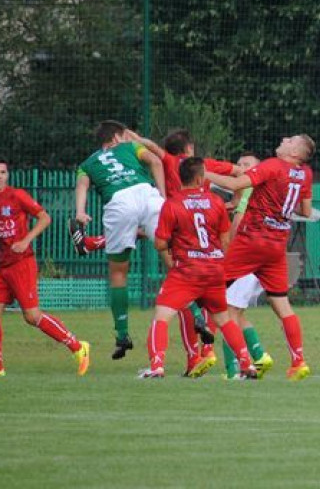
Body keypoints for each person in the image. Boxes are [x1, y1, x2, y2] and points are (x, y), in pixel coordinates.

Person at [123, 127, 244, 377]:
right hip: (213, 262)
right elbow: (238, 172)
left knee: (164, 311)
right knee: (223, 318)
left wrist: (132, 137)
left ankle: (158, 364)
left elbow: (151, 148)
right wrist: (236, 201)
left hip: (185, 256)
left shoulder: (170, 176)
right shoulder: (211, 187)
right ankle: (242, 361)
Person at [205, 135, 316, 381]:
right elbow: (306, 210)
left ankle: (216, 353)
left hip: (252, 240)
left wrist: (204, 174)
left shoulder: (272, 165)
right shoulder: (305, 174)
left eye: (291, 140)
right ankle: (298, 361)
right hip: (277, 245)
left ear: (296, 152)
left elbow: (235, 186)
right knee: (281, 303)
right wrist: (279, 206)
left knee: (211, 290)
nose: (285, 139)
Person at [140, 157, 258, 380]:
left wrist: (177, 242)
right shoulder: (215, 202)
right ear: (200, 178)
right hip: (214, 269)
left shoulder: (172, 204)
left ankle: (156, 366)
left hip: (186, 270)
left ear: (180, 178)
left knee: (162, 316)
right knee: (223, 319)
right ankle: (247, 364)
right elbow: (224, 241)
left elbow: (160, 244)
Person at [75, 120, 166, 360]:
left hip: (118, 203)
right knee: (172, 258)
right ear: (117, 138)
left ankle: (122, 335)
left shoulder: (87, 164)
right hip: (147, 195)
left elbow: (82, 187)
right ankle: (197, 316)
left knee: (118, 273)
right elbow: (156, 161)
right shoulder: (130, 148)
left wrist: (80, 212)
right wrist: (163, 198)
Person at [0, 158, 91, 377]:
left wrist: (26, 240)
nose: (0, 176)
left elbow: (44, 217)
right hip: (1, 266)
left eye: (2, 172)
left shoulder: (16, 196)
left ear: (7, 175)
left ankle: (78, 347)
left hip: (21, 264)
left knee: (32, 316)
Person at [220, 153, 274, 379]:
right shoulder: (259, 193)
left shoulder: (250, 192)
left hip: (244, 259)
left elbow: (238, 224)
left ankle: (235, 369)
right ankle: (259, 356)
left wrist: (229, 254)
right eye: (239, 164)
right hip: (261, 260)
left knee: (227, 313)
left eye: (247, 164)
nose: (241, 167)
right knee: (238, 313)